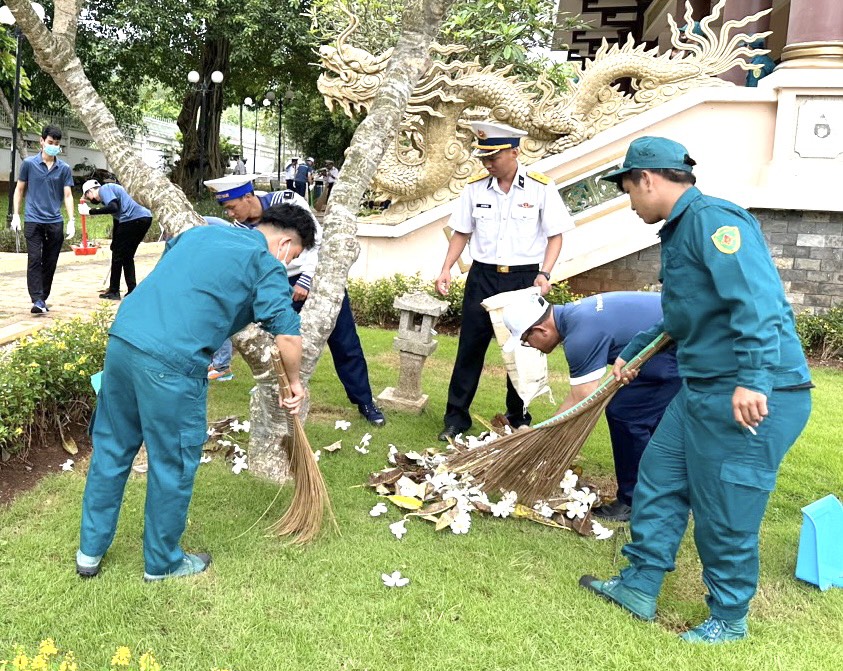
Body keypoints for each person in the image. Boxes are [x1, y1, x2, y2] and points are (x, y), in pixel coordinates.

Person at [578, 137, 812, 643]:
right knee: (659, 476)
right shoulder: (681, 230)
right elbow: (683, 316)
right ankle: (639, 583)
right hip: (701, 390)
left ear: (648, 178)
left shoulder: (713, 222)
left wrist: (753, 379)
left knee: (725, 507)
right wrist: (635, 349)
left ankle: (729, 618)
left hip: (752, 395)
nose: (630, 202)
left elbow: (757, 303)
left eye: (628, 191)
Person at [75, 203, 316, 582]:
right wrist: (296, 385)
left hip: (124, 339)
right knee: (173, 460)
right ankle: (162, 562)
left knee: (112, 446)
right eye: (294, 256)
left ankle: (89, 552)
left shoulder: (202, 232)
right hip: (171, 360)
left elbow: (179, 275)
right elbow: (286, 332)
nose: (288, 263)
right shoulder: (265, 262)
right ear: (285, 242)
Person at [204, 175, 386, 426]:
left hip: (315, 276)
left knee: (344, 341)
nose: (230, 214)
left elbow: (315, 239)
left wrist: (307, 279)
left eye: (232, 207)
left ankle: (364, 401)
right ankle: (279, 394)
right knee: (277, 344)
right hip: (277, 283)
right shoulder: (239, 228)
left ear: (248, 197)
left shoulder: (287, 200)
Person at [435, 121, 574, 441]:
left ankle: (517, 415)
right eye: (484, 158)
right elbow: (461, 232)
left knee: (521, 350)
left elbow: (555, 236)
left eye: (493, 157)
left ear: (514, 152)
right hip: (482, 276)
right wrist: (445, 268)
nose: (487, 163)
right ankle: (456, 418)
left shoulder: (541, 188)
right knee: (469, 348)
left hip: (524, 279)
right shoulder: (474, 188)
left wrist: (545, 273)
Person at [501, 291, 681, 522]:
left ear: (541, 330)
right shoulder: (576, 314)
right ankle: (671, 492)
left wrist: (539, 434)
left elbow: (582, 399)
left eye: (526, 339)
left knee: (626, 415)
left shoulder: (580, 337)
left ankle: (635, 501)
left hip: (677, 343)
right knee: (646, 414)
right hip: (675, 333)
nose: (529, 345)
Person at [11, 124, 75, 314]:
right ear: (41, 141)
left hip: (55, 221)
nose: (53, 146)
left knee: (50, 261)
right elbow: (19, 190)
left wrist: (71, 220)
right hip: (33, 220)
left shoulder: (64, 168)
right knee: (34, 259)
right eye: (49, 142)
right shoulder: (29, 164)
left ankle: (42, 297)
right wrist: (16, 214)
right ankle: (37, 299)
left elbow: (68, 195)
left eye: (56, 143)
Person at [79, 179, 153, 301]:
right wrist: (115, 241)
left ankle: (114, 291)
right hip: (144, 218)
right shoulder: (109, 193)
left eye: (87, 195)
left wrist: (90, 211)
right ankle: (132, 290)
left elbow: (113, 207)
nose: (89, 199)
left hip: (132, 219)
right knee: (127, 256)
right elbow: (117, 219)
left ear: (90, 191)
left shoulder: (104, 189)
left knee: (118, 256)